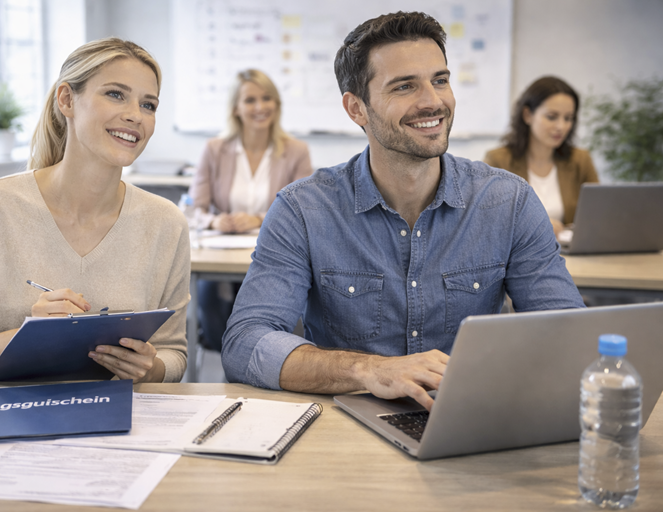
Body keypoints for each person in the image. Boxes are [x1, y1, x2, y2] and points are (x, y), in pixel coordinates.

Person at [221, 12, 585, 411]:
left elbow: (567, 334)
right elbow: (246, 342)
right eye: (405, 86)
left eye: (440, 80)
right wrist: (369, 370)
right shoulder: (303, 209)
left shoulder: (508, 201)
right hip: (344, 432)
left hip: (467, 420)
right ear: (357, 109)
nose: (433, 101)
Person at [0, 38, 190, 382]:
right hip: (7, 421)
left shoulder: (167, 223)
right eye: (115, 94)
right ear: (66, 99)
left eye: (148, 105)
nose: (136, 115)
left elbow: (174, 354)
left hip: (122, 424)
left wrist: (150, 367)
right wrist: (23, 340)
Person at [190, 69, 313, 351]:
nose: (260, 107)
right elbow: (193, 210)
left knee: (283, 311)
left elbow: (306, 212)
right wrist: (215, 221)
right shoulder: (214, 150)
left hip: (276, 255)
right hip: (221, 255)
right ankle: (226, 358)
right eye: (250, 100)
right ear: (236, 108)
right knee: (208, 297)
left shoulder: (296, 151)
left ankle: (266, 359)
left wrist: (257, 219)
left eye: (267, 98)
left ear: (277, 104)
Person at [484, 76, 599, 235]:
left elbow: (598, 215)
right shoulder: (498, 161)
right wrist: (536, 225)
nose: (561, 126)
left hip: (569, 255)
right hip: (517, 257)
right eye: (552, 117)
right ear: (527, 115)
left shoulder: (580, 160)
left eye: (568, 118)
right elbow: (487, 219)